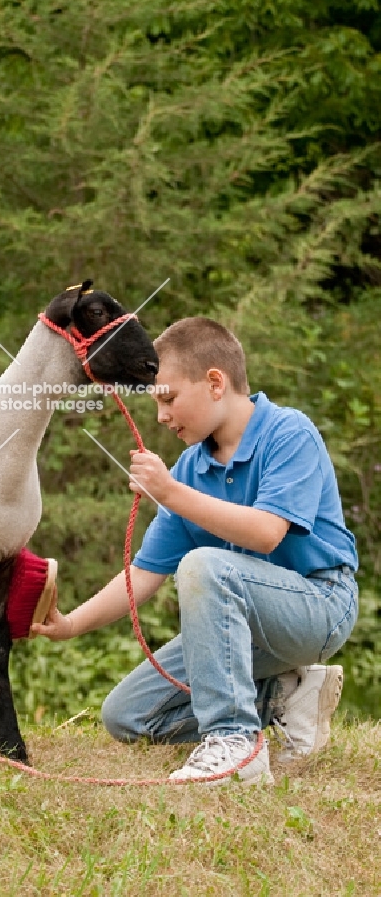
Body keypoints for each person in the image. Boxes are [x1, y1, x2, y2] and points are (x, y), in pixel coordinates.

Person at [32, 317, 359, 785]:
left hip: (318, 607)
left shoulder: (289, 433)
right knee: (125, 716)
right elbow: (143, 574)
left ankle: (235, 743)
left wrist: (170, 493)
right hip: (241, 631)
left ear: (214, 383)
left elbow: (267, 534)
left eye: (167, 398)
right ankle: (287, 698)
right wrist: (69, 625)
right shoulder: (191, 467)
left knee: (205, 565)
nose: (161, 416)